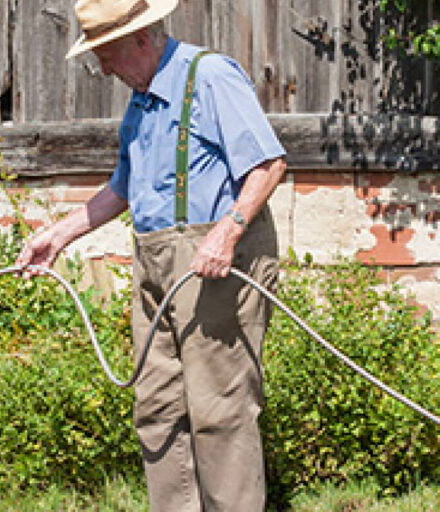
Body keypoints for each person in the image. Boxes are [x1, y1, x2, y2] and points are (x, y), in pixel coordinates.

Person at [15, 0, 287, 510]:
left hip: (216, 265)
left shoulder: (210, 76)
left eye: (107, 56)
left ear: (141, 40)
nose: (104, 70)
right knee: (157, 406)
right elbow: (123, 187)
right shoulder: (141, 103)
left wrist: (227, 232)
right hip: (155, 264)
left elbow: (268, 165)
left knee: (219, 412)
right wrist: (59, 235)